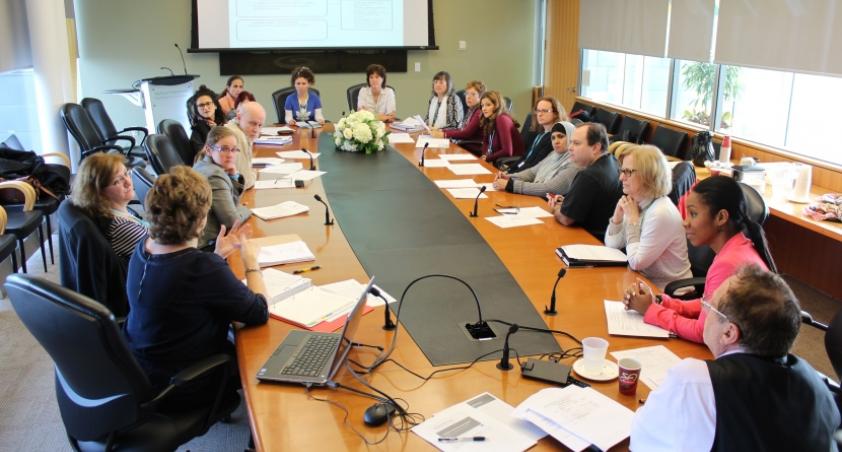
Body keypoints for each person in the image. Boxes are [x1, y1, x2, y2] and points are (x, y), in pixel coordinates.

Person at [630, 265, 840, 451]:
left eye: (709, 306)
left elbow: (641, 440)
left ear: (729, 333)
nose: (704, 309)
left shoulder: (695, 380)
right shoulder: (819, 385)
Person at [124, 165, 268, 412]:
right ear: (201, 220)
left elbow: (183, 289)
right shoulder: (200, 267)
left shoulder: (143, 247)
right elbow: (258, 311)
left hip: (142, 370)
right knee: (262, 348)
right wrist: (250, 262)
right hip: (181, 386)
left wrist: (217, 256)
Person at [623, 175, 777, 343]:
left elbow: (702, 332)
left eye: (693, 214)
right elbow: (709, 306)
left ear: (721, 218)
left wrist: (651, 311)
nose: (685, 222)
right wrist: (662, 302)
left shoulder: (728, 263)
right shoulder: (737, 247)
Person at [604, 145, 692, 289]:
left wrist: (633, 221)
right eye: (621, 171)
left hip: (669, 293)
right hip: (642, 283)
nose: (621, 177)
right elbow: (612, 245)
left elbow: (636, 262)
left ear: (648, 175)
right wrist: (617, 217)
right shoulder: (637, 202)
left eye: (628, 172)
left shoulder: (660, 212)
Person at [69, 153, 147, 264]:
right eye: (117, 181)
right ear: (98, 192)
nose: (128, 182)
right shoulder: (121, 226)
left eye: (126, 174)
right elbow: (164, 254)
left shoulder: (113, 212)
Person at [549, 122, 622, 239]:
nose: (570, 147)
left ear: (595, 148)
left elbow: (566, 219)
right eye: (571, 142)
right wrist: (568, 202)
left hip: (589, 240)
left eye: (576, 143)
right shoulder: (612, 161)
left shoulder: (589, 175)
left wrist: (555, 208)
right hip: (605, 236)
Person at [193, 126, 252, 249]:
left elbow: (231, 199)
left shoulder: (201, 164)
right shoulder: (214, 176)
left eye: (234, 149)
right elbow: (232, 221)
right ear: (209, 150)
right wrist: (246, 211)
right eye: (224, 149)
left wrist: (233, 175)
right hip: (208, 246)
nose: (230, 155)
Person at [493, 121, 581, 198]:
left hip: (547, 205)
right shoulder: (553, 154)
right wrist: (509, 177)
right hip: (536, 198)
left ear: (571, 137)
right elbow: (532, 172)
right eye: (553, 138)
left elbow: (550, 189)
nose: (556, 141)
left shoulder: (574, 163)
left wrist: (511, 185)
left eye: (560, 136)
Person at [507, 97, 568, 173]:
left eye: (545, 111)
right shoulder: (541, 133)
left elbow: (534, 165)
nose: (539, 114)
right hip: (521, 172)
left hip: (528, 177)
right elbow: (525, 157)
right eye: (538, 111)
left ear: (556, 114)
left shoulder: (553, 138)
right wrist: (509, 170)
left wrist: (512, 175)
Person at [431, 80, 485, 155]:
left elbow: (466, 133)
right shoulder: (471, 110)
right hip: (464, 144)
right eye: (467, 94)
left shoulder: (479, 112)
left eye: (473, 94)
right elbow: (461, 129)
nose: (468, 97)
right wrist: (441, 131)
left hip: (472, 149)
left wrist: (444, 134)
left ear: (481, 97)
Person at [224, 101, 266, 190]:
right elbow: (244, 183)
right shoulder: (237, 135)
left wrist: (251, 172)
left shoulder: (235, 127)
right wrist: (254, 174)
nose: (256, 130)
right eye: (253, 123)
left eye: (260, 125)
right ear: (239, 117)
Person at [478, 90, 524, 164]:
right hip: (497, 161)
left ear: (496, 105)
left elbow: (507, 151)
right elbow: (486, 141)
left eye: (488, 105)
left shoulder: (502, 119)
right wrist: (484, 155)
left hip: (510, 164)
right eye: (482, 105)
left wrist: (487, 158)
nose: (484, 108)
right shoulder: (489, 119)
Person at [187, 85, 225, 157]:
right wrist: (215, 133)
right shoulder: (196, 130)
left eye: (208, 103)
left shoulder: (222, 123)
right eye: (201, 105)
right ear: (197, 110)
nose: (205, 108)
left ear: (215, 105)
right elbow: (201, 155)